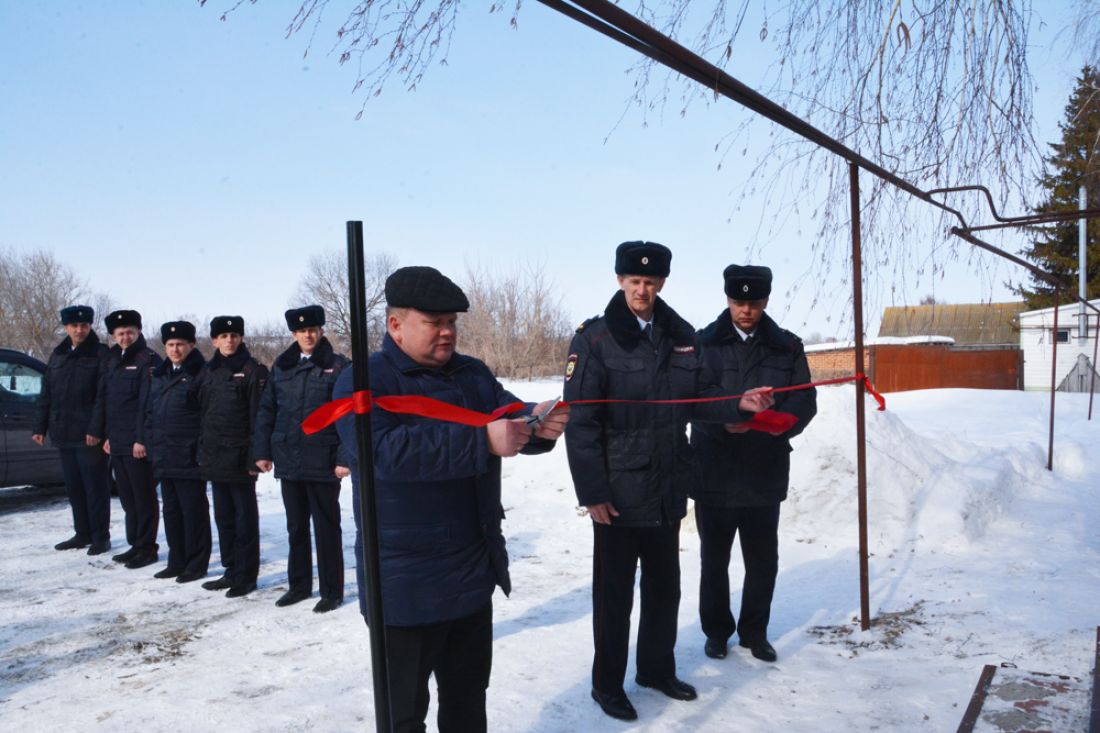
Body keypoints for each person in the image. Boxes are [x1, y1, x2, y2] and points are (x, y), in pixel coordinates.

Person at [333, 265, 569, 733]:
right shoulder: (363, 382)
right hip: (403, 584)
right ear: (395, 325)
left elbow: (505, 410)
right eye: (435, 322)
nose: (447, 332)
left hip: (469, 573)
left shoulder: (471, 374)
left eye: (452, 323)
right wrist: (482, 441)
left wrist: (538, 422)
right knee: (402, 716)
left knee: (466, 705)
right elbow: (383, 453)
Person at [563, 241, 774, 722]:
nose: (642, 290)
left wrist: (737, 404)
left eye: (651, 282)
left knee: (665, 588)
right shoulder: (595, 340)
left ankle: (655, 669)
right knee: (614, 597)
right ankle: (607, 684)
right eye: (634, 281)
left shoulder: (680, 336)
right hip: (617, 492)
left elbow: (700, 397)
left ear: (662, 284)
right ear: (620, 280)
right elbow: (581, 422)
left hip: (668, 486)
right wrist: (592, 491)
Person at [690, 265, 817, 663]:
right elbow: (690, 399)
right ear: (727, 299)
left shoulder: (786, 346)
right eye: (739, 302)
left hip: (764, 468)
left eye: (755, 303)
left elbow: (804, 400)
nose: (746, 310)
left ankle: (755, 631)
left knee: (763, 560)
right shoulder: (701, 344)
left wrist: (774, 427)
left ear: (766, 301)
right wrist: (728, 417)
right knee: (715, 559)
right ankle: (716, 631)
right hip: (714, 468)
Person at [253, 305, 349, 613]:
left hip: (323, 460)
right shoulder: (282, 366)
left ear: (321, 331)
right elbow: (268, 410)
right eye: (301, 331)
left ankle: (332, 591)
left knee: (326, 528)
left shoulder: (338, 366)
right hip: (290, 459)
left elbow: (349, 415)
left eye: (313, 330)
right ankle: (298, 585)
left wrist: (344, 457)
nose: (307, 335)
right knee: (296, 528)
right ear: (294, 334)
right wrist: (263, 451)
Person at [32, 304, 113, 555]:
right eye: (74, 326)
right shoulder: (58, 355)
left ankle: (100, 536)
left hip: (89, 435)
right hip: (63, 432)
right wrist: (40, 426)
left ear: (90, 326)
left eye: (84, 325)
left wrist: (96, 429)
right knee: (74, 486)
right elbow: (47, 393)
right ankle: (82, 533)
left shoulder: (100, 354)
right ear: (66, 328)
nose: (79, 330)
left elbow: (103, 396)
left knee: (95, 487)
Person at [198, 316, 269, 599]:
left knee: (244, 520)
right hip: (215, 456)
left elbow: (258, 416)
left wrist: (255, 457)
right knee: (224, 517)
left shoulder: (253, 370)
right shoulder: (207, 371)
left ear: (241, 339)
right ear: (214, 340)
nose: (229, 340)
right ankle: (230, 570)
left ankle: (247, 575)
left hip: (241, 458)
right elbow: (202, 414)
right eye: (224, 336)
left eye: (234, 335)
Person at [137, 321, 211, 583]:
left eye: (180, 344)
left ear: (191, 345)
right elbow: (149, 412)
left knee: (193, 513)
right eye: (170, 344)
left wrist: (202, 451)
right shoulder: (159, 374)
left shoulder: (201, 373)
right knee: (171, 511)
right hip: (164, 454)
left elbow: (207, 417)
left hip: (189, 455)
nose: (175, 349)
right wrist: (146, 441)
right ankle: (176, 560)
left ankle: (196, 563)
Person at [98, 309, 162, 569]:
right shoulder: (112, 360)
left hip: (137, 443)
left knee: (143, 496)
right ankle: (135, 544)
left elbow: (148, 405)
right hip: (118, 441)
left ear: (138, 332)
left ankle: (147, 548)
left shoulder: (148, 360)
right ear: (112, 335)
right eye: (120, 333)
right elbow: (109, 402)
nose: (125, 337)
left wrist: (141, 439)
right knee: (127, 498)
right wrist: (108, 436)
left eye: (130, 332)